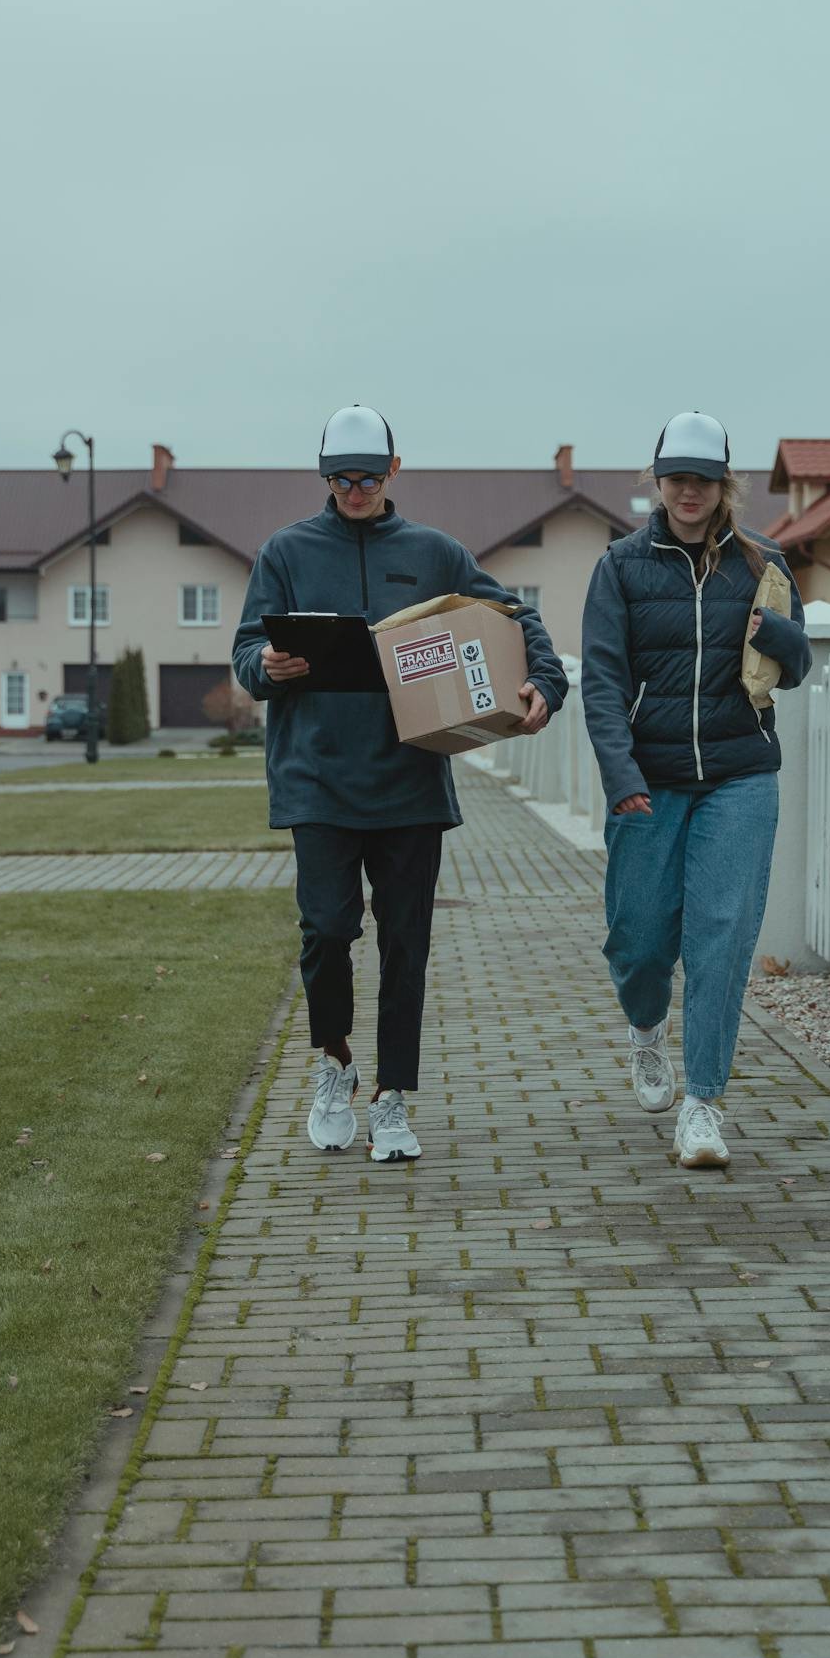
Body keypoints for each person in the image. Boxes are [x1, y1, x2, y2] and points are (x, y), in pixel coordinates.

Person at [232, 406, 568, 1163]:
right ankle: (334, 1066)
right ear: (323, 475)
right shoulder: (284, 552)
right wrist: (266, 668)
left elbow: (514, 616)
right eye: (340, 476)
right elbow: (248, 648)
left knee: (405, 946)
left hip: (410, 780)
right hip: (315, 778)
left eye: (367, 474)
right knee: (325, 934)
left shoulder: (435, 553)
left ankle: (392, 1099)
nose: (354, 488)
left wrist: (544, 681)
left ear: (394, 470)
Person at [581, 410, 811, 1168]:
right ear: (657, 482)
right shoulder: (620, 566)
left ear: (723, 486)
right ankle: (645, 1032)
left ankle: (702, 1106)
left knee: (720, 938)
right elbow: (605, 684)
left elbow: (798, 663)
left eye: (702, 479)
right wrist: (620, 776)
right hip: (649, 781)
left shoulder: (762, 561)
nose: (689, 491)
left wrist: (771, 633)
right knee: (640, 940)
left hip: (740, 775)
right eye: (676, 478)